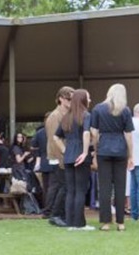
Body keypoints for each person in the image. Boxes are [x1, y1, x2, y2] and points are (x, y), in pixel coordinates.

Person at [90, 83, 135, 231]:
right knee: (120, 187)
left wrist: (95, 151)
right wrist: (131, 155)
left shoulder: (98, 109)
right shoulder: (126, 110)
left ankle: (105, 222)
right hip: (120, 149)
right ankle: (121, 222)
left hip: (104, 149)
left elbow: (94, 133)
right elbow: (128, 135)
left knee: (104, 188)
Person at [55, 89, 95, 231]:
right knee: (80, 191)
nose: (90, 100)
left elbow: (56, 137)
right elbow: (86, 133)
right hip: (80, 156)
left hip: (68, 157)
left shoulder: (66, 116)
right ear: (83, 100)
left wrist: (65, 150)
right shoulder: (86, 115)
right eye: (88, 98)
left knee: (71, 190)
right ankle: (79, 224)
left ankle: (71, 223)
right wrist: (85, 152)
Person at [46, 87, 74, 227]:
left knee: (64, 187)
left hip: (64, 156)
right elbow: (54, 140)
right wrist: (63, 158)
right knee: (63, 186)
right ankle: (55, 215)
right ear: (61, 99)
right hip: (58, 157)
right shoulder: (54, 116)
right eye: (69, 99)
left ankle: (60, 214)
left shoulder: (66, 114)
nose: (71, 102)